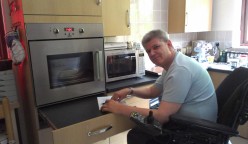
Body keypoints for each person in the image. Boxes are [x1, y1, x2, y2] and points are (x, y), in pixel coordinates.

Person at [101, 29, 217, 144]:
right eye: (148, 51)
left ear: (169, 44)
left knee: (137, 136)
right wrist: (130, 91)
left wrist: (120, 108)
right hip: (188, 124)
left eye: (156, 47)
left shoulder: (180, 70)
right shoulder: (173, 64)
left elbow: (162, 117)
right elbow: (153, 91)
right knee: (139, 133)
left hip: (196, 133)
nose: (151, 53)